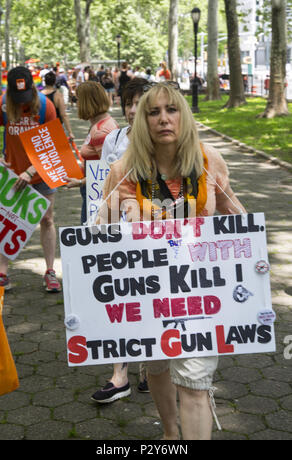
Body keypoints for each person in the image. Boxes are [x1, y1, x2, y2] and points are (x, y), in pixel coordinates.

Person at [97, 82, 246, 439]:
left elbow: (232, 211)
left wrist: (254, 253)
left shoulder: (209, 161)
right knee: (159, 366)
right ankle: (169, 432)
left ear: (184, 115)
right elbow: (100, 232)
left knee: (195, 383)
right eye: (154, 112)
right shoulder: (124, 170)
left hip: (199, 292)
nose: (164, 119)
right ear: (142, 121)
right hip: (148, 294)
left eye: (172, 110)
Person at [92, 78, 149, 404]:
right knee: (122, 301)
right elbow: (102, 187)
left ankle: (149, 368)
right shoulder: (114, 138)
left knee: (150, 299)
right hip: (119, 235)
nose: (131, 109)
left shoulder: (163, 140)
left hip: (155, 236)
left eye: (139, 103)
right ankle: (120, 375)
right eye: (128, 102)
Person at [0, 66, 62, 292]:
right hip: (12, 175)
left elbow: (54, 147)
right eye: (17, 98)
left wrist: (30, 171)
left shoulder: (45, 106)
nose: (22, 103)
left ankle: (50, 271)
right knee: (7, 219)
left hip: (42, 172)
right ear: (9, 93)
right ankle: (2, 273)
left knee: (47, 219)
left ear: (33, 88)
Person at [64, 81, 119, 225]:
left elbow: (107, 172)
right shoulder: (104, 123)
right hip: (95, 192)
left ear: (86, 102)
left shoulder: (101, 131)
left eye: (78, 99)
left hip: (96, 195)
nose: (76, 103)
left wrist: (80, 182)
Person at [41, 71, 74, 140]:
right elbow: (63, 115)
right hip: (56, 127)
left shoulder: (39, 95)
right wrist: (70, 132)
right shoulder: (58, 95)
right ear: (54, 81)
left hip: (42, 129)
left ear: (45, 81)